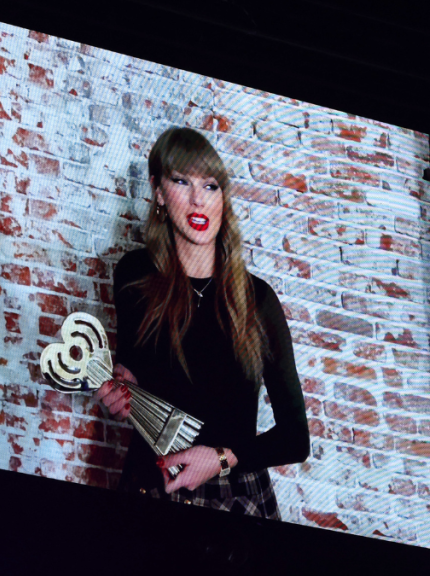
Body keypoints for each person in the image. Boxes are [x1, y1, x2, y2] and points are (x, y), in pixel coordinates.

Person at [95, 126, 310, 519]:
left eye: (210, 186)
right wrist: (123, 392)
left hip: (236, 498)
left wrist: (220, 459)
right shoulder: (133, 275)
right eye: (182, 182)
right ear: (159, 191)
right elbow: (133, 378)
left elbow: (296, 438)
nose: (198, 200)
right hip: (150, 484)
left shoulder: (257, 300)